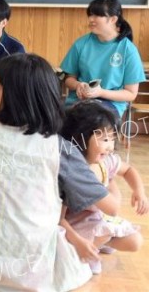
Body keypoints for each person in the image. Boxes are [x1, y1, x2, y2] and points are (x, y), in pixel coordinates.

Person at [0, 53, 120, 291]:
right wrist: (110, 176)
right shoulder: (59, 147)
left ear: (5, 93)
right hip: (31, 273)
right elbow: (111, 207)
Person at [60, 100, 146, 274]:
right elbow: (59, 219)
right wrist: (77, 241)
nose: (110, 146)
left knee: (135, 241)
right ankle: (87, 251)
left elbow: (128, 169)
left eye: (113, 139)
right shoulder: (73, 171)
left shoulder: (106, 161)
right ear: (80, 137)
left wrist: (139, 191)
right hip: (76, 225)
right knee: (103, 234)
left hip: (99, 219)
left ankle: (99, 244)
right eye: (105, 139)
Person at [61, 0, 146, 118]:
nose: (91, 19)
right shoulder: (81, 44)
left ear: (113, 19)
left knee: (92, 119)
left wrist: (101, 92)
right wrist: (78, 85)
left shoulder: (128, 49)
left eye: (97, 15)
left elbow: (131, 94)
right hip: (79, 101)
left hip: (111, 104)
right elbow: (68, 78)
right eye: (90, 15)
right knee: (63, 119)